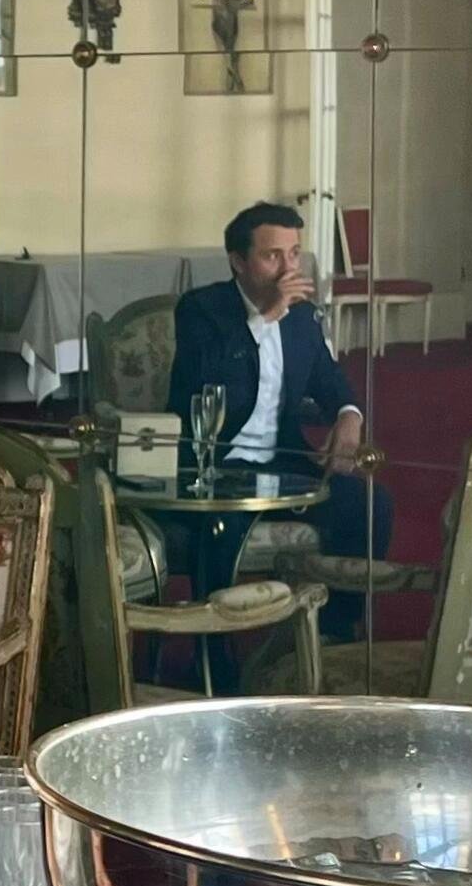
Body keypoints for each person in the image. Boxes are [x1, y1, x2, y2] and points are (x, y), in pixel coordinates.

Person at [166, 202, 392, 642]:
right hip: (213, 465)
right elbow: (204, 379)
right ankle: (213, 656)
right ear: (238, 261)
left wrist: (349, 417)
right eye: (273, 256)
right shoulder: (201, 309)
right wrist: (262, 318)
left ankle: (335, 631)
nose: (289, 268)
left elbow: (331, 380)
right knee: (223, 524)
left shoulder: (302, 316)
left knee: (369, 503)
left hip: (280, 463)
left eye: (294, 254)